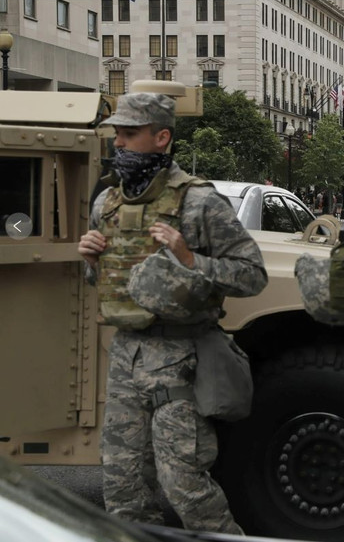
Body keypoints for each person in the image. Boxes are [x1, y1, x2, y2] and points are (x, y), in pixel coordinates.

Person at [77, 92, 267, 534]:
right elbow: (107, 281)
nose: (118, 143)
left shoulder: (199, 202)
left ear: (162, 137)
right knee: (123, 489)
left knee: (185, 486)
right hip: (126, 356)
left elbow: (251, 275)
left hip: (180, 357)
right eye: (116, 133)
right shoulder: (106, 203)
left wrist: (189, 259)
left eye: (129, 133)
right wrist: (90, 263)